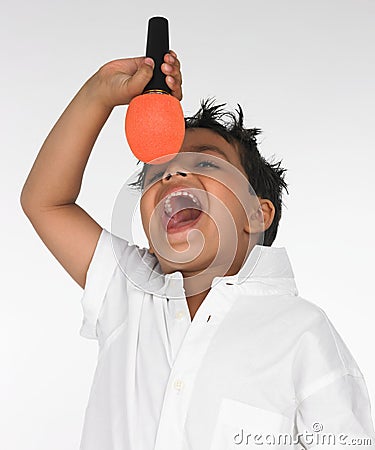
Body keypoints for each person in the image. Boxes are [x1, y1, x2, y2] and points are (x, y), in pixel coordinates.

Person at [20, 52, 375, 450]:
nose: (172, 173)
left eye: (206, 162)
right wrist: (98, 96)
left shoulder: (302, 331)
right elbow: (45, 201)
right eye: (156, 173)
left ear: (257, 214)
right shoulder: (128, 293)